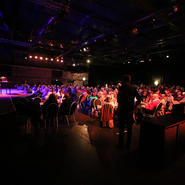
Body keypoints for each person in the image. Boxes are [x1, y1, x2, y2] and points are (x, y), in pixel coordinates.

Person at [117, 74, 141, 149]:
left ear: (124, 80)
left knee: (121, 129)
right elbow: (139, 99)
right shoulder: (133, 88)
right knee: (129, 128)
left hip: (122, 110)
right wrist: (134, 106)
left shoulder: (121, 88)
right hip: (130, 111)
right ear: (129, 80)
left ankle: (121, 145)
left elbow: (118, 99)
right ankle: (128, 145)